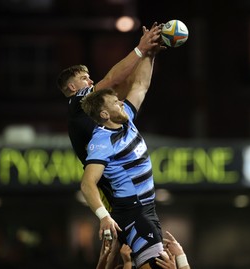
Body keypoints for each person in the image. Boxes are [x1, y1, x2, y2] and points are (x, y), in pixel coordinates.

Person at [57, 22, 163, 212]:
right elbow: (112, 80)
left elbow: (135, 85)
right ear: (72, 88)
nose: (90, 81)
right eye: (84, 78)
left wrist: (149, 54)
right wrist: (140, 49)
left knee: (121, 236)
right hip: (109, 182)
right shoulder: (77, 103)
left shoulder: (111, 112)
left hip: (122, 181)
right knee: (118, 233)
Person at [80, 42, 164, 268]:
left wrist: (150, 53)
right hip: (134, 212)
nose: (122, 104)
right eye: (116, 102)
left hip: (146, 209)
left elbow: (140, 85)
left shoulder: (125, 118)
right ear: (105, 114)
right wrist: (103, 216)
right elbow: (88, 183)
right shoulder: (102, 141)